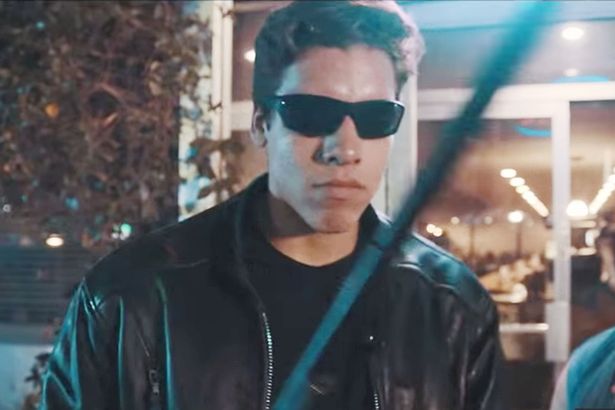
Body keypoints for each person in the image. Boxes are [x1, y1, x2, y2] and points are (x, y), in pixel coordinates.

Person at [40, 1, 504, 409]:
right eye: (312, 114)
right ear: (262, 124)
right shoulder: (132, 296)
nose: (344, 148)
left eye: (375, 117)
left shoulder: (451, 307)